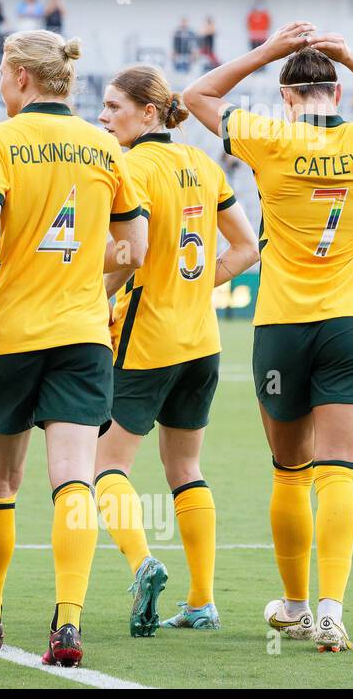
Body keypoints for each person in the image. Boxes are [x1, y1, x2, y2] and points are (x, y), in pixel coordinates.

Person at [183, 22, 353, 653]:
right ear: (337, 95)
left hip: (282, 323)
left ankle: (297, 606)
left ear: (285, 98)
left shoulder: (269, 137)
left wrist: (269, 49)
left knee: (290, 471)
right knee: (340, 471)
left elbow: (197, 96)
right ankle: (334, 610)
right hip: (351, 320)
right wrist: (348, 54)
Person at [0, 30, 147, 664]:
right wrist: (96, 287)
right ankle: (69, 624)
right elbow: (134, 248)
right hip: (81, 336)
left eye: (2, 70)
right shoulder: (104, 145)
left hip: (8, 337)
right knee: (74, 480)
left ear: (22, 76)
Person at [94, 64, 259, 636]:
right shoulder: (202, 163)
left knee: (104, 467)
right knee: (186, 467)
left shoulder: (130, 165)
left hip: (148, 337)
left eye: (113, 106)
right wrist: (194, 283)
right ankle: (202, 600)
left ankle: (142, 565)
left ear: (148, 112)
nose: (102, 115)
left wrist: (92, 297)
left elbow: (124, 255)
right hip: (202, 341)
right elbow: (246, 247)